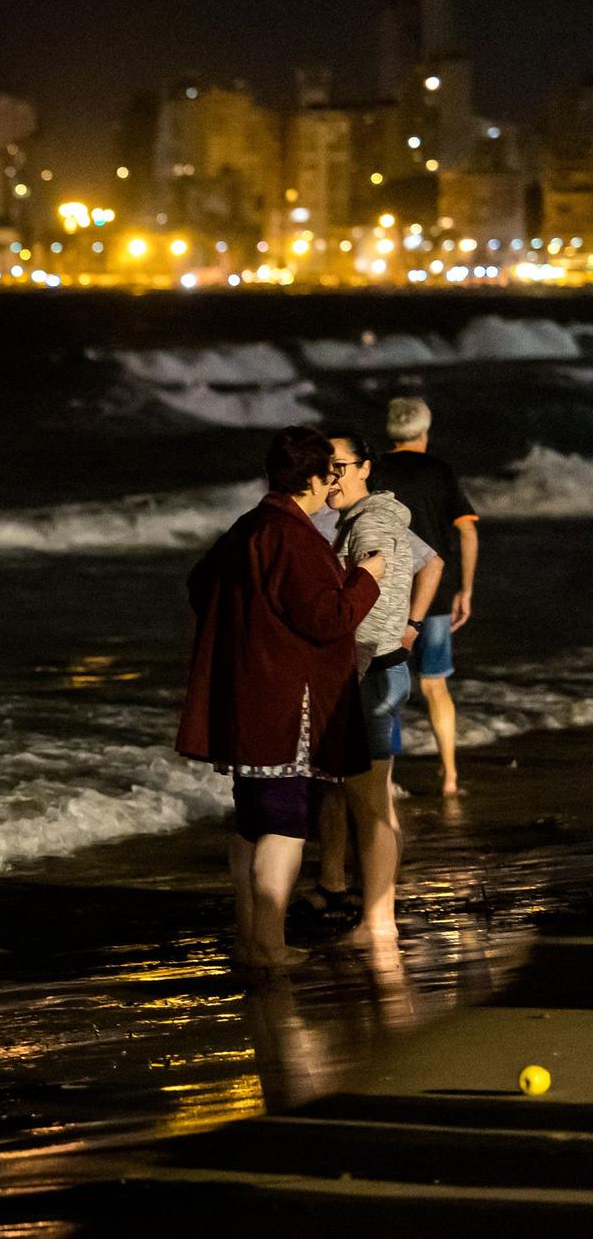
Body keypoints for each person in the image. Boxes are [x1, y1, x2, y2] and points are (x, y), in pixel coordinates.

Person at [178, 426, 383, 970]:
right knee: (284, 827)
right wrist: (367, 577)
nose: (329, 486)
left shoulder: (249, 526)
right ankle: (268, 945)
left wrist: (249, 630)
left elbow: (201, 585)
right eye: (327, 475)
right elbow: (327, 617)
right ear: (316, 478)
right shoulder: (292, 536)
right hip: (284, 703)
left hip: (245, 698)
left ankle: (250, 940)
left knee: (251, 826)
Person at [307, 429, 416, 944]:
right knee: (373, 803)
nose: (331, 476)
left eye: (340, 466)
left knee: (370, 805)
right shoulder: (367, 518)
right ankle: (380, 915)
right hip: (380, 666)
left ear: (366, 467)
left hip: (370, 670)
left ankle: (379, 923)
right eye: (324, 466)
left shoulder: (370, 522)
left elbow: (373, 588)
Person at [369, 396, 479, 795]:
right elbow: (466, 530)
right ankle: (449, 774)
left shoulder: (374, 470)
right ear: (424, 431)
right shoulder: (439, 471)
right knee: (435, 684)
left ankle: (386, 778)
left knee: (387, 683)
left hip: (386, 591)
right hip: (434, 593)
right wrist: (465, 589)